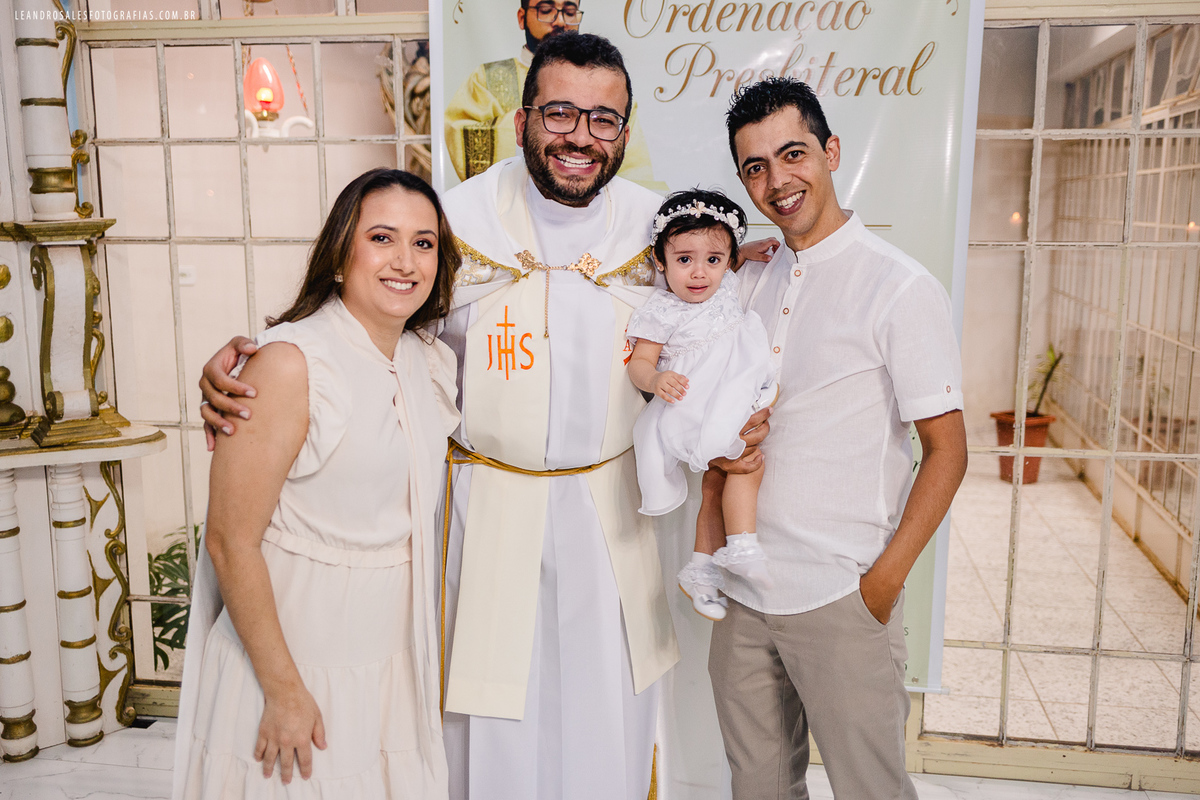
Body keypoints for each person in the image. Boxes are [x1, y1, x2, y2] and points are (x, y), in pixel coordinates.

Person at [201, 34, 774, 800]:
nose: (580, 136)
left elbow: (720, 321)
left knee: (612, 720)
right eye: (561, 112)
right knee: (491, 727)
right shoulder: (458, 223)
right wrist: (256, 356)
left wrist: (743, 407)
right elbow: (365, 325)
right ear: (521, 121)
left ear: (625, 135)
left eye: (604, 120)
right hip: (485, 512)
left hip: (613, 515)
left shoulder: (660, 230)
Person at [705, 77, 968, 799]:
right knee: (757, 788)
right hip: (744, 591)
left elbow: (949, 452)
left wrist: (879, 587)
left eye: (793, 154)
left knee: (871, 790)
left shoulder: (900, 288)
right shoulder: (746, 279)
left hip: (840, 593)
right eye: (755, 167)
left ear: (832, 151)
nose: (777, 180)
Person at [173, 169, 461, 799]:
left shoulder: (427, 360)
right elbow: (228, 540)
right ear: (340, 252)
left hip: (387, 662)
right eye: (382, 237)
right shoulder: (289, 363)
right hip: (294, 660)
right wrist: (283, 690)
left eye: (424, 243)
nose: (405, 261)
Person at [626, 189, 776, 621]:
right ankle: (742, 544)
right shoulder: (662, 309)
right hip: (695, 405)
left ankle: (701, 569)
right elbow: (639, 364)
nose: (698, 273)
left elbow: (733, 259)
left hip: (733, 390)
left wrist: (742, 251)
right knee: (744, 461)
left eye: (713, 260)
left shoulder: (725, 279)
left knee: (716, 482)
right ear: (660, 261)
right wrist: (654, 379)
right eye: (683, 259)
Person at [443, 0, 664, 190]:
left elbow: (636, 172)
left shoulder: (613, 89)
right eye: (546, 9)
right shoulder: (487, 77)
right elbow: (461, 133)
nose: (559, 21)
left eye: (569, 12)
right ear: (522, 18)